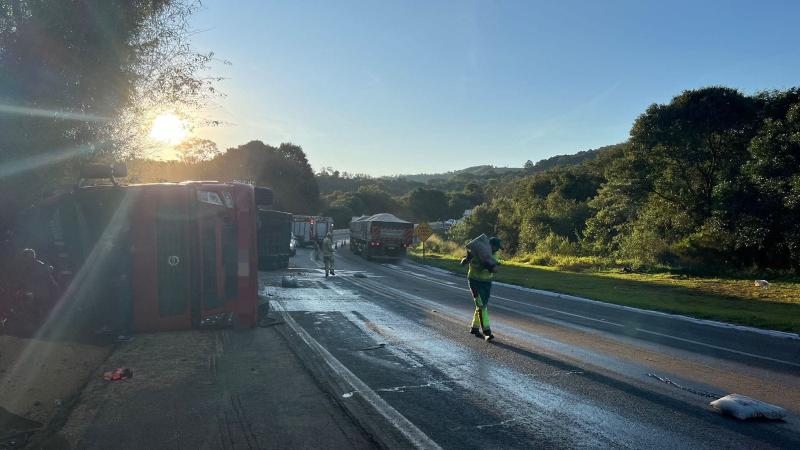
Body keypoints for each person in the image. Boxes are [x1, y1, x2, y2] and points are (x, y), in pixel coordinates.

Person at [460, 236, 502, 341]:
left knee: (482, 304)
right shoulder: (477, 250)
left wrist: (490, 265)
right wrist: (466, 259)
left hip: (487, 282)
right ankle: (487, 332)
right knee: (481, 305)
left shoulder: (495, 254)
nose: (497, 250)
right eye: (496, 247)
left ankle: (474, 327)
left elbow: (493, 267)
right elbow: (463, 262)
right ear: (490, 245)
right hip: (474, 281)